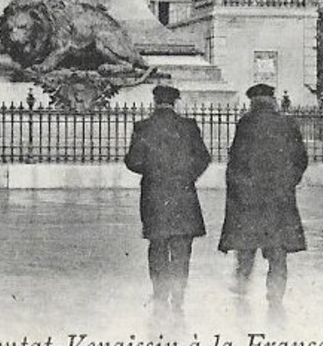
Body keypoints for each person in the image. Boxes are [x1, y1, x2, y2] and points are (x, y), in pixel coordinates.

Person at [123, 85, 211, 320]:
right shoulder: (188, 126)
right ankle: (178, 295)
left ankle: (160, 293)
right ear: (175, 102)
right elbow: (204, 157)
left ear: (154, 101)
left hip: (154, 195)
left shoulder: (143, 127)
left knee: (158, 245)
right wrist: (188, 175)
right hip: (183, 193)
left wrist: (152, 172)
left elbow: (133, 161)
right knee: (182, 247)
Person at [219, 83, 309, 312]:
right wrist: (289, 182)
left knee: (246, 248)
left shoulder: (246, 124)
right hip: (279, 198)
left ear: (253, 102)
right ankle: (275, 295)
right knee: (278, 251)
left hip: (249, 199)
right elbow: (301, 158)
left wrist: (238, 190)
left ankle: (241, 289)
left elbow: (235, 161)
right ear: (273, 100)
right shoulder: (288, 123)